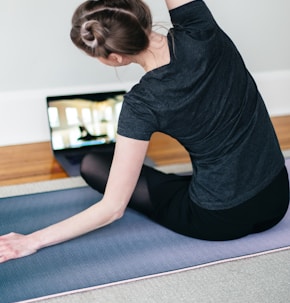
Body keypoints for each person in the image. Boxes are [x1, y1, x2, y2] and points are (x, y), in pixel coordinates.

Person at [0, 0, 289, 263]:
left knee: (93, 164)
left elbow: (113, 208)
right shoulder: (201, 27)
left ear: (114, 58)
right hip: (277, 198)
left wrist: (30, 241)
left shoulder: (142, 104)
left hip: (219, 219)